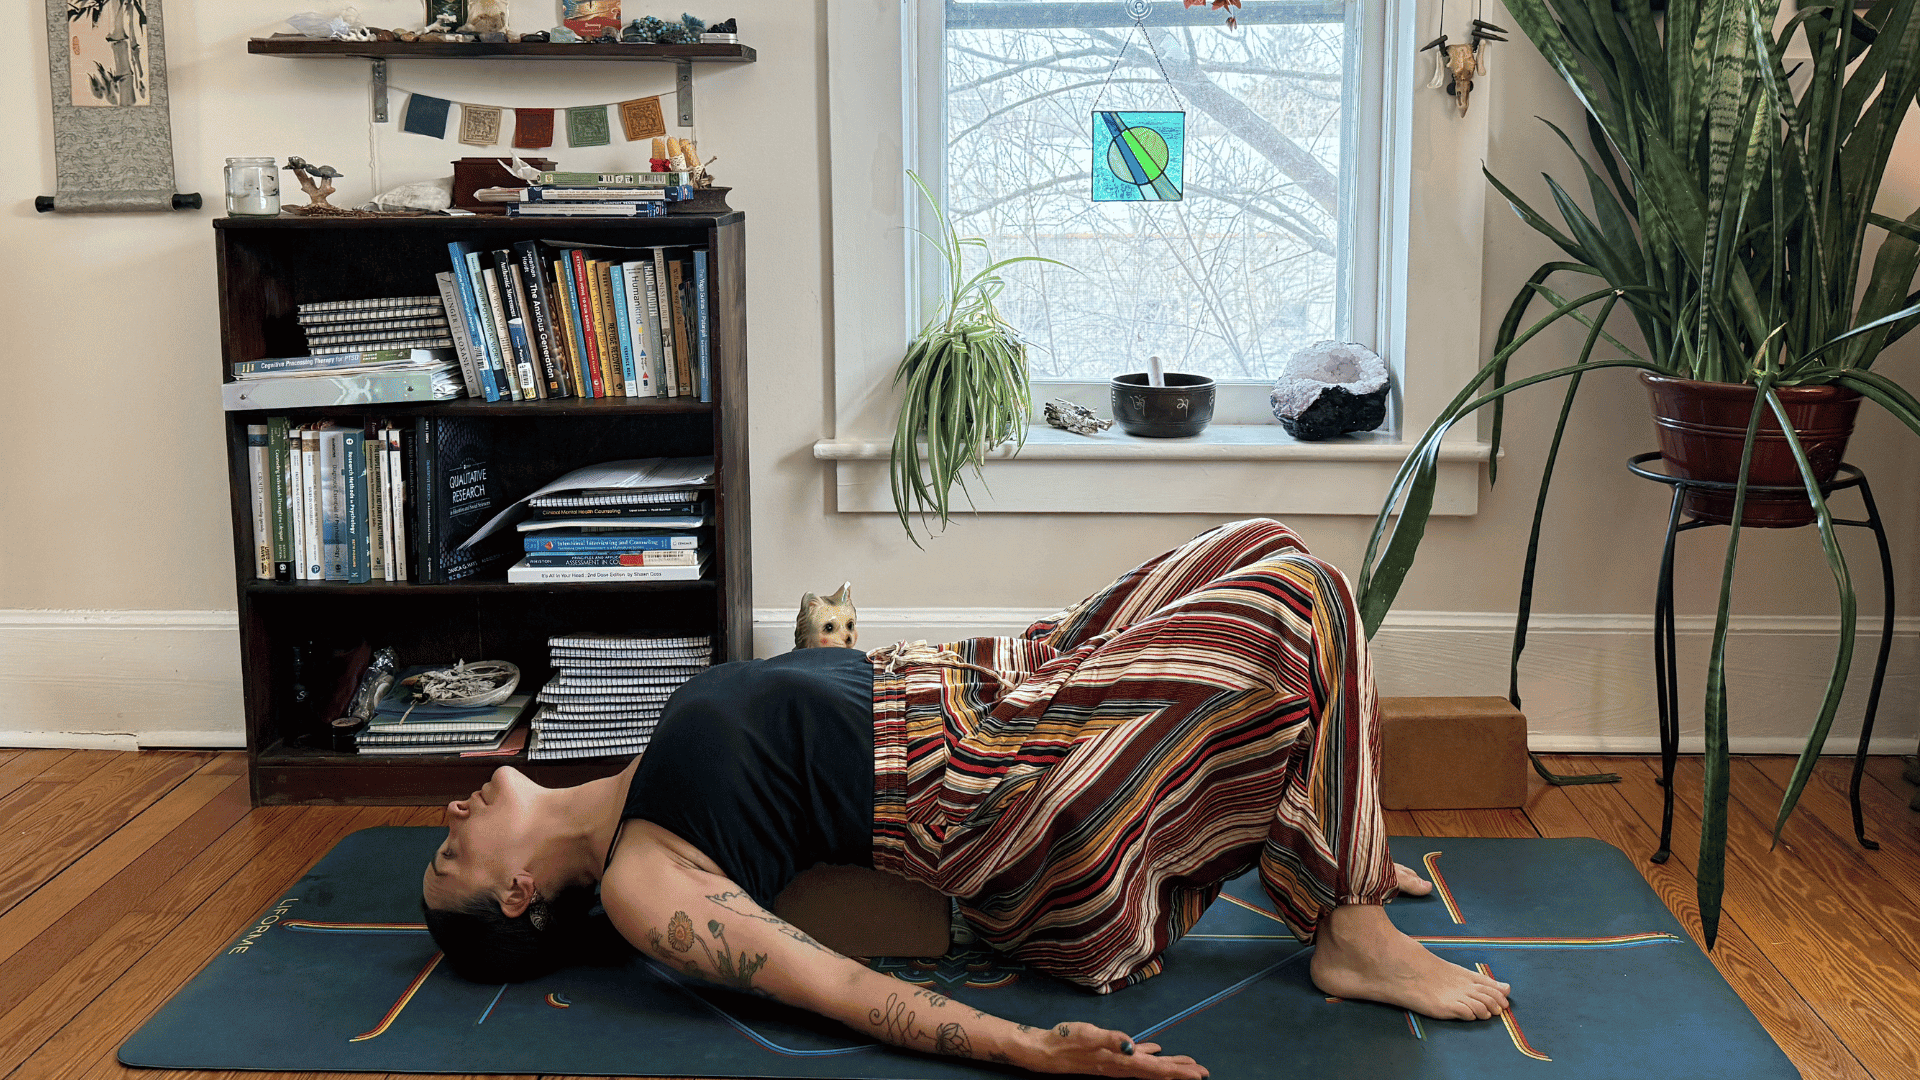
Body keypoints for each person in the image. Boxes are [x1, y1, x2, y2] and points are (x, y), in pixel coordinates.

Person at [422, 519, 1511, 1079]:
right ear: (520, 895)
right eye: (449, 862)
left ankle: (1316, 844)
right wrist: (1024, 1050)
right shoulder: (642, 885)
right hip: (995, 792)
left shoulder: (630, 774)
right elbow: (837, 989)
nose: (450, 822)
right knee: (1297, 602)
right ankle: (1349, 927)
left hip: (994, 681)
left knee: (1259, 548)